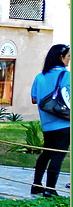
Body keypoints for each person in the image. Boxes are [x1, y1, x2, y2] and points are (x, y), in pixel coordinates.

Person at [30, 44, 71, 197]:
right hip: (64, 123)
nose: (69, 60)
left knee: (46, 153)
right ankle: (50, 189)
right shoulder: (67, 76)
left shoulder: (39, 77)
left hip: (47, 124)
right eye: (68, 57)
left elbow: (34, 99)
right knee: (58, 156)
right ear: (61, 57)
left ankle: (36, 184)